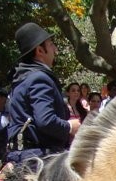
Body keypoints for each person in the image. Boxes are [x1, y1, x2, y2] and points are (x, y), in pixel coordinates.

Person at [6, 22, 80, 163]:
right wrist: (70, 126)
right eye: (51, 44)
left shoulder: (22, 79)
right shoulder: (39, 78)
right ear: (40, 50)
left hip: (24, 156)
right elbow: (45, 120)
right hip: (40, 159)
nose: (55, 49)